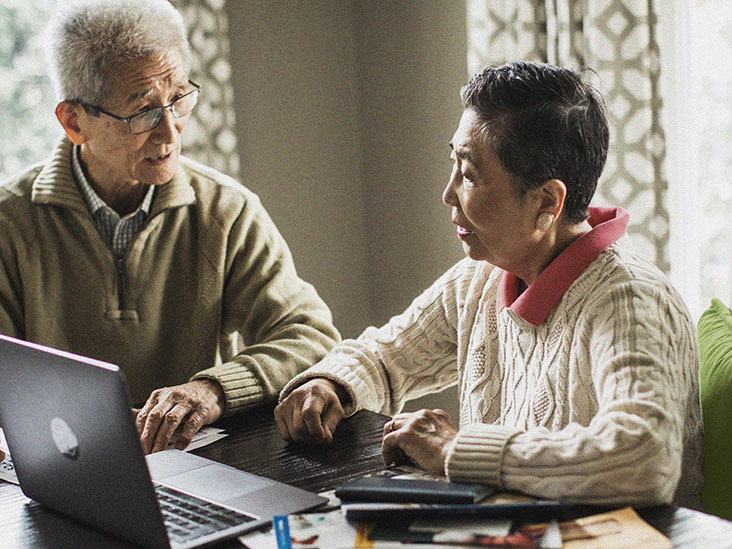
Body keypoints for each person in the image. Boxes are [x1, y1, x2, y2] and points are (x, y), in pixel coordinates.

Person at [275, 61, 704, 509]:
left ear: (546, 202)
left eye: (469, 174)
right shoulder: (484, 274)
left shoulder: (631, 300)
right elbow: (386, 357)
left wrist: (455, 451)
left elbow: (643, 458)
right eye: (452, 164)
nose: (447, 193)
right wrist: (332, 385)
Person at [0, 0, 340, 454]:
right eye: (142, 111)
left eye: (178, 98)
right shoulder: (9, 223)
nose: (170, 133)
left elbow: (311, 336)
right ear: (74, 122)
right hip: (58, 470)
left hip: (197, 463)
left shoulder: (226, 210)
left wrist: (212, 390)